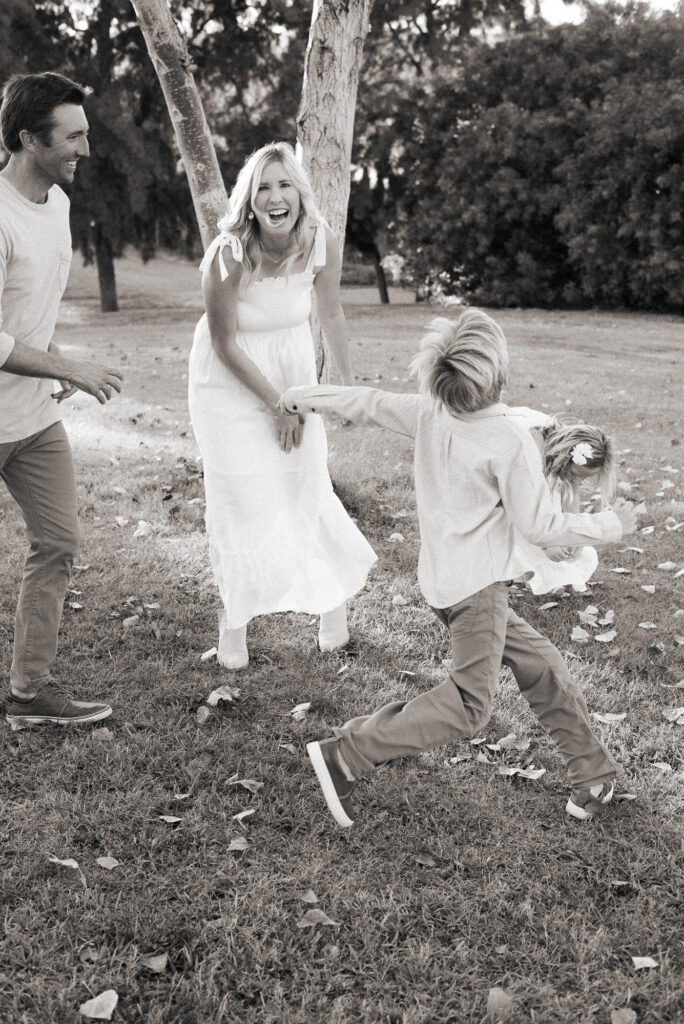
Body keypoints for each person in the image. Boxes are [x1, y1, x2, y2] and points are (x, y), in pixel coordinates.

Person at [279, 310, 638, 824]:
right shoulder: (509, 439)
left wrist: (300, 395)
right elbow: (540, 526)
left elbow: (368, 402)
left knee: (541, 663)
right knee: (470, 705)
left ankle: (592, 772)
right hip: (476, 591)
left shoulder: (431, 411)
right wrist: (611, 524)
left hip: (444, 584)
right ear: (499, 373)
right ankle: (347, 753)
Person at [188, 142, 376, 670]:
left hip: (292, 365)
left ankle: (332, 611)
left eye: (284, 185)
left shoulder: (320, 241)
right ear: (249, 201)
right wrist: (276, 403)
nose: (275, 197)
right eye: (263, 187)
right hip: (229, 380)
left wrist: (346, 388)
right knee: (239, 495)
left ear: (300, 194)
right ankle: (235, 625)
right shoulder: (227, 254)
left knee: (305, 482)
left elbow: (331, 313)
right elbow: (225, 345)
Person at [1, 72, 124, 728]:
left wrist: (48, 372)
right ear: (28, 139)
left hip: (32, 418)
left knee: (58, 541)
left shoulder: (58, 205)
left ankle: (29, 693)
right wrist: (66, 365)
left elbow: (31, 307)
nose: (84, 146)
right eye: (71, 136)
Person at [507, 415, 617, 594]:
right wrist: (547, 543)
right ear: (567, 459)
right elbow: (525, 508)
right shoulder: (531, 453)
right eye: (577, 475)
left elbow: (571, 499)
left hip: (531, 493)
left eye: (584, 477)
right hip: (508, 495)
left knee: (555, 503)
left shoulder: (561, 462)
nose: (578, 480)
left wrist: (574, 538)